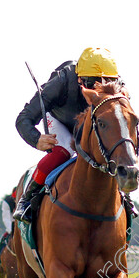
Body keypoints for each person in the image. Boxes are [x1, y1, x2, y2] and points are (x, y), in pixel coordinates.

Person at [13, 47, 122, 223]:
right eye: (90, 84)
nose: (96, 92)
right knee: (63, 150)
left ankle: (123, 195)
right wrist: (36, 139)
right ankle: (27, 199)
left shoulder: (117, 89)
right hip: (59, 121)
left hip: (88, 125)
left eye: (104, 84)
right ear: (79, 78)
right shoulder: (61, 82)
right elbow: (23, 118)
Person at [0, 189, 16, 264]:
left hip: (21, 224)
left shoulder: (25, 198)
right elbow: (6, 218)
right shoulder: (7, 202)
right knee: (4, 239)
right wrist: (11, 231)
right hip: (11, 223)